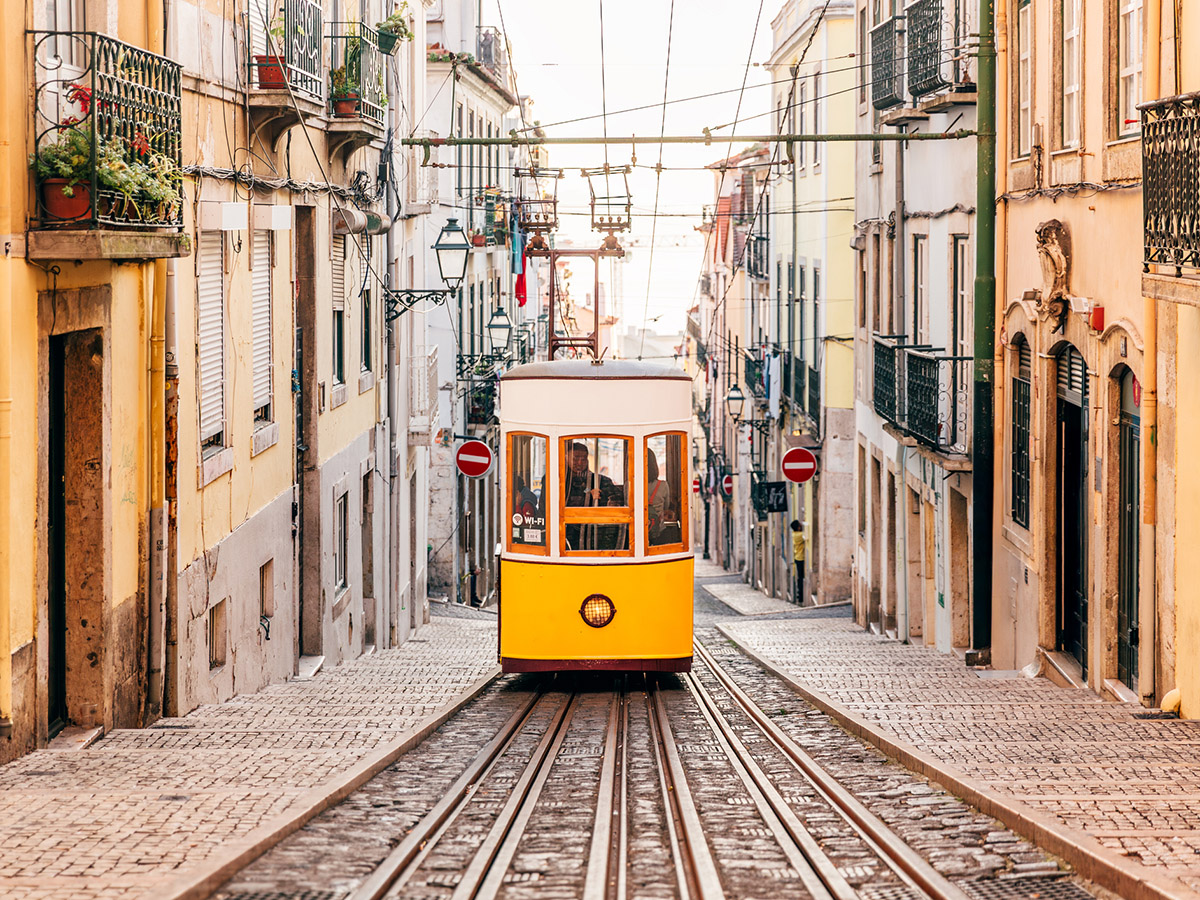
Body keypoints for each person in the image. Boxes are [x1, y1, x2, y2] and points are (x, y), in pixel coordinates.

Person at [564, 441, 623, 550]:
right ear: (566, 458)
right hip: (566, 540)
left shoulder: (600, 481)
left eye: (583, 459)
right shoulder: (561, 482)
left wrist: (610, 503)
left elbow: (618, 500)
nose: (580, 462)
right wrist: (587, 494)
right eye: (575, 458)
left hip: (596, 541)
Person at [647, 449, 670, 546]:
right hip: (658, 532)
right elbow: (666, 507)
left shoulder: (630, 485)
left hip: (634, 532)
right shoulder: (663, 485)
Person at [791, 519, 806, 605]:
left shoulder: (794, 534)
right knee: (801, 578)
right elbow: (807, 534)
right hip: (800, 559)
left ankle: (799, 595)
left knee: (800, 577)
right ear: (798, 527)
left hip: (797, 558)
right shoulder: (799, 536)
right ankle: (800, 596)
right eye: (800, 525)